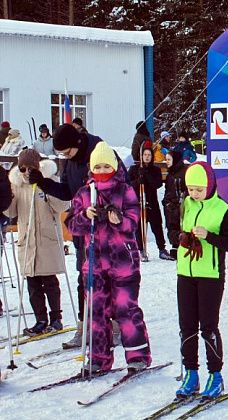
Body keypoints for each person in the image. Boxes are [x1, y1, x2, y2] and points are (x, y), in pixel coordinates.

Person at [66, 141, 152, 373]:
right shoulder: (85, 193)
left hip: (123, 263)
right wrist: (86, 216)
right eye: (98, 167)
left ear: (114, 166)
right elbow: (72, 225)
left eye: (107, 166)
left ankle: (138, 355)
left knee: (126, 309)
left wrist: (119, 220)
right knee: (96, 312)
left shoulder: (126, 191)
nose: (102, 171)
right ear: (91, 168)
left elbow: (135, 222)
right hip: (94, 264)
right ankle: (99, 357)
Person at [35, 123, 118, 349]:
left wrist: (104, 210)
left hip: (106, 233)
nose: (65, 156)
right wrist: (43, 182)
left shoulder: (99, 152)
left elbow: (120, 188)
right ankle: (84, 327)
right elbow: (67, 192)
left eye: (67, 152)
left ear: (78, 143)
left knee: (108, 279)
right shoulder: (70, 163)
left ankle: (115, 326)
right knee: (84, 280)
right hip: (84, 233)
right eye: (61, 154)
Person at [174, 162, 228, 399]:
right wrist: (181, 237)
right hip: (185, 273)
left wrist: (209, 237)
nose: (193, 194)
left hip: (211, 276)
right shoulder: (185, 204)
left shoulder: (223, 209)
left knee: (208, 327)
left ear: (210, 186)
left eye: (198, 189)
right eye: (190, 189)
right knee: (187, 327)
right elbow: (172, 231)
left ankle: (215, 375)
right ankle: (191, 373)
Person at [5, 149, 70, 335]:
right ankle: (40, 319)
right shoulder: (17, 185)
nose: (26, 172)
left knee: (49, 280)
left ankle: (56, 318)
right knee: (33, 283)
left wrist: (44, 186)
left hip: (47, 239)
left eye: (30, 168)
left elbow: (62, 205)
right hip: (28, 241)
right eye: (22, 168)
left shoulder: (49, 179)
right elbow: (11, 212)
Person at [128, 141, 170, 261]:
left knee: (157, 226)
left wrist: (146, 176)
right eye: (145, 155)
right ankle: (141, 250)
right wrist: (138, 181)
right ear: (141, 156)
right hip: (138, 202)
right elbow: (128, 185)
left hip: (151, 202)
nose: (147, 157)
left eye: (149, 155)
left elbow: (157, 184)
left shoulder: (155, 170)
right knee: (139, 227)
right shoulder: (134, 169)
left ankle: (162, 249)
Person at [163, 150, 187, 259]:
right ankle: (175, 245)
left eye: (169, 159)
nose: (166, 162)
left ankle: (181, 245)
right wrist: (166, 201)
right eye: (166, 159)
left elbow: (186, 190)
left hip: (180, 204)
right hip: (170, 205)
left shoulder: (184, 172)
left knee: (179, 224)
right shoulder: (170, 173)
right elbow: (168, 189)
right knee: (171, 225)